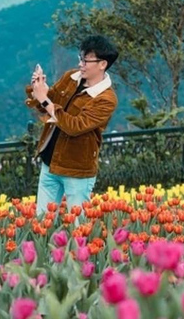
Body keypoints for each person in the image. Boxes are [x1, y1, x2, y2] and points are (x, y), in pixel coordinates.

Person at [25, 35, 119, 216]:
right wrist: (38, 90)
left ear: (102, 64)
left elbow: (75, 126)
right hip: (49, 161)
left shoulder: (106, 99)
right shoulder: (70, 77)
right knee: (42, 223)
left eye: (86, 60)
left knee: (78, 228)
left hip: (76, 170)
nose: (81, 64)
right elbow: (48, 105)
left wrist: (44, 99)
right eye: (80, 58)